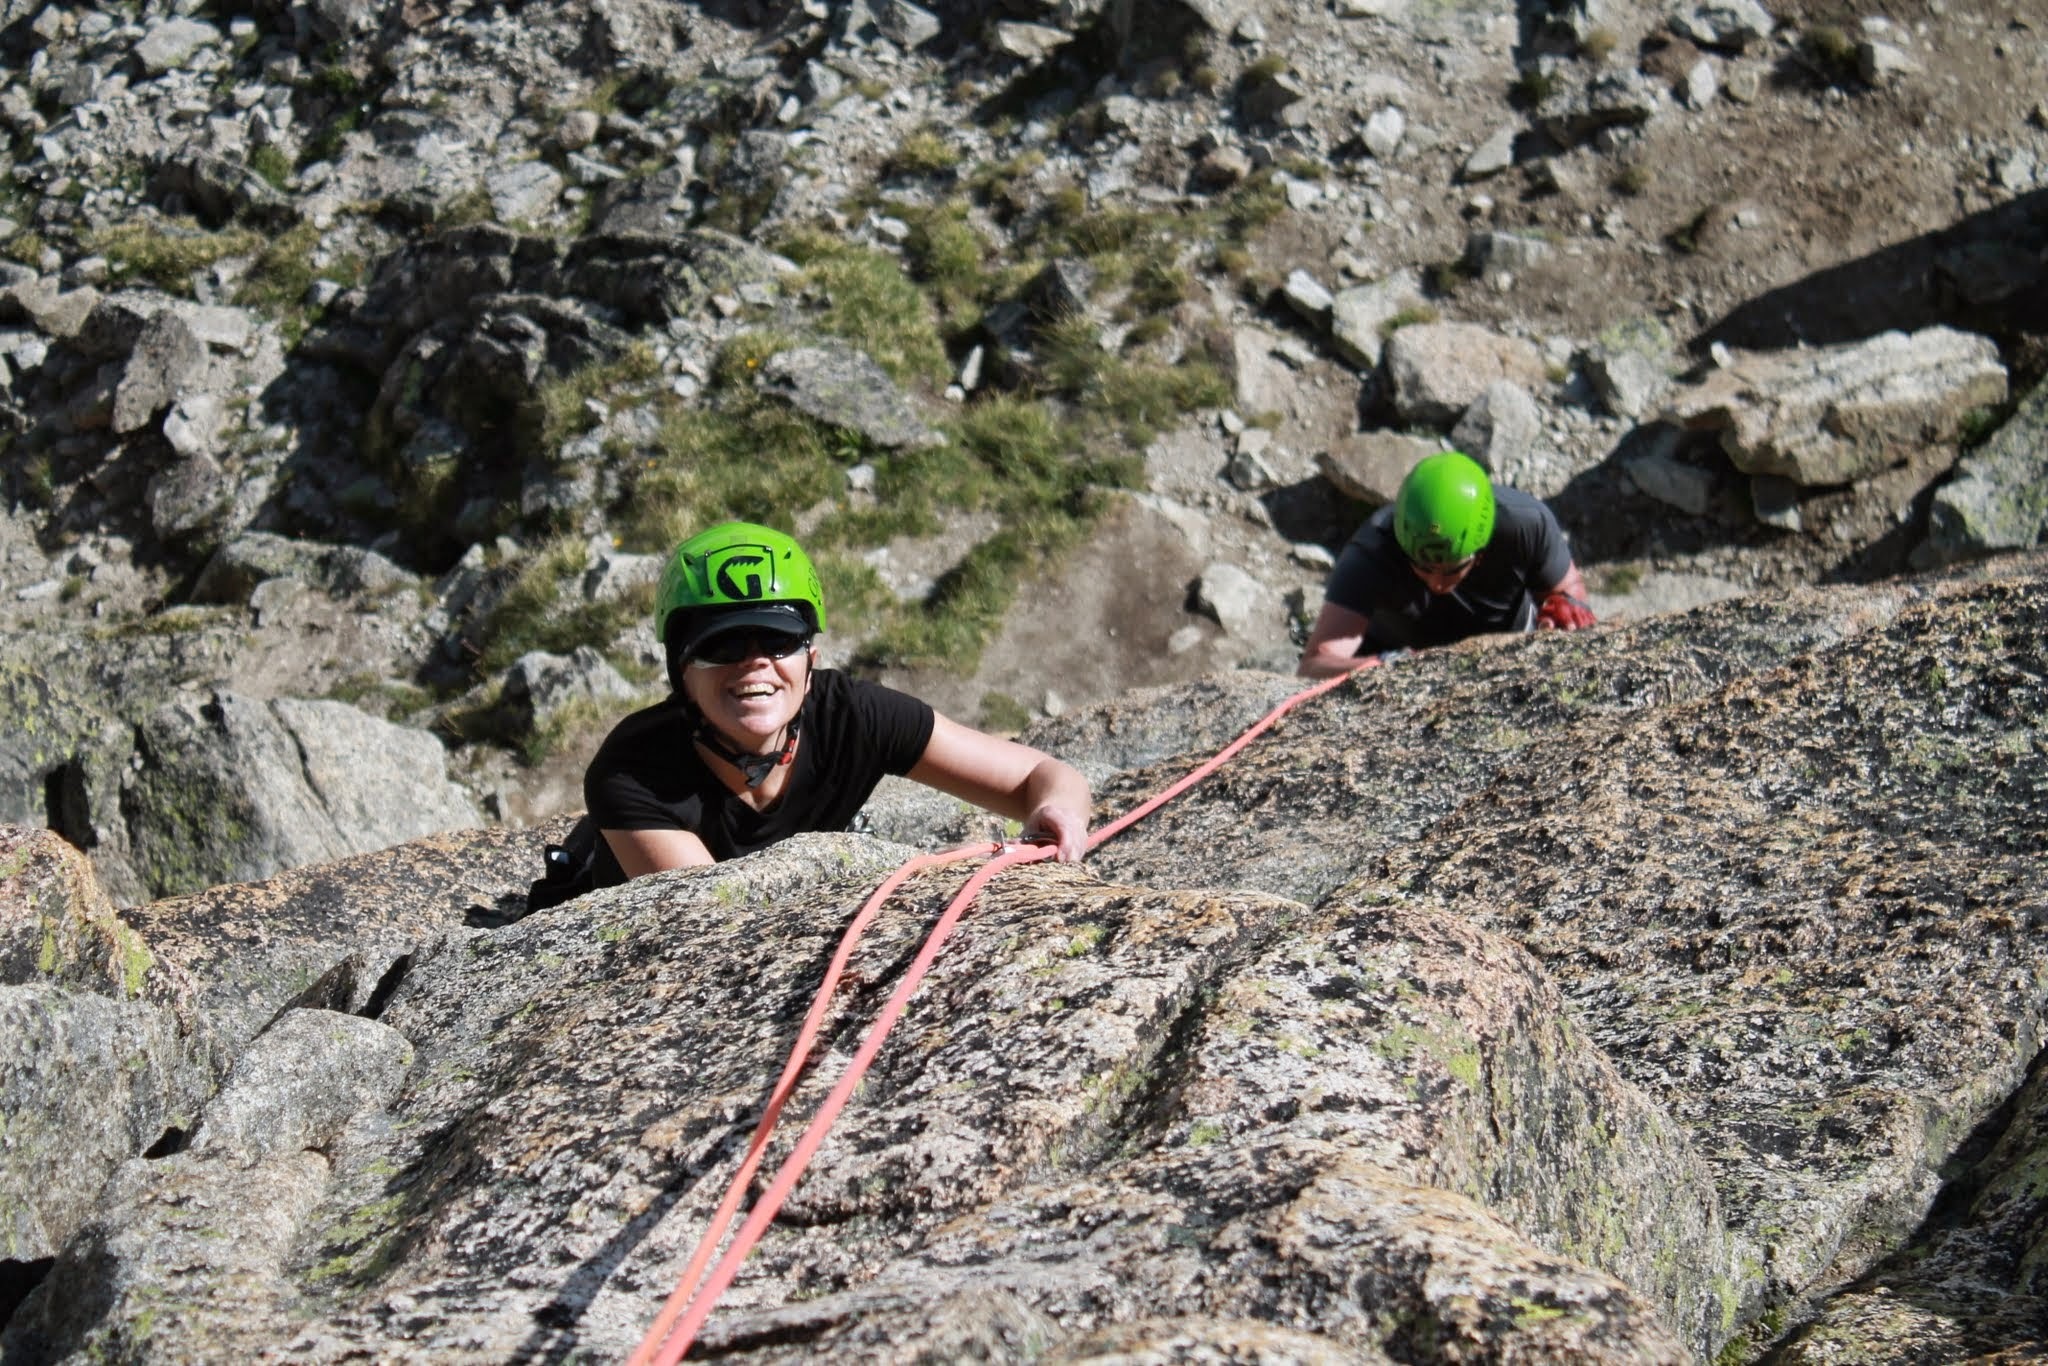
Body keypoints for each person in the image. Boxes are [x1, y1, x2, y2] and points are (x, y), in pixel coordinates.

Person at [584, 521, 1091, 887]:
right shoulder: (632, 774)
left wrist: (1055, 809)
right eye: (722, 646)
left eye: (778, 641)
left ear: (811, 661)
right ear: (682, 672)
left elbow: (1044, 776)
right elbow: (715, 922)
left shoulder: (852, 716)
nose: (755, 663)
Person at [1298, 450, 1595, 679]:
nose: (1437, 583)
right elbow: (1314, 664)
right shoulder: (1372, 553)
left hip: (1508, 641)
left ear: (1481, 551)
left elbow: (1568, 589)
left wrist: (1563, 606)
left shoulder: (1525, 525)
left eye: (1453, 568)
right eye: (1422, 567)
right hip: (1400, 656)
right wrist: (1381, 666)